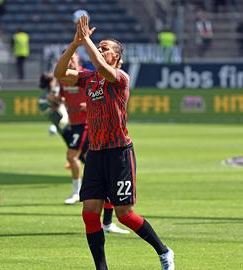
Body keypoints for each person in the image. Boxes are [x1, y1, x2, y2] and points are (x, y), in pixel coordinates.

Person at [54, 15, 174, 269]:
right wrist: (75, 44)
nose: (99, 50)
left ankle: (164, 252)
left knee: (125, 214)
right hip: (96, 155)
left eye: (105, 48)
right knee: (89, 214)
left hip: (119, 152)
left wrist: (86, 39)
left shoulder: (119, 78)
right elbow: (59, 73)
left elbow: (100, 66)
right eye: (99, 47)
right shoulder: (89, 79)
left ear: (117, 57)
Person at [49, 52, 129, 234]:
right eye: (67, 59)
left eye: (73, 59)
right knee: (98, 171)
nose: (70, 61)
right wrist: (55, 101)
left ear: (79, 60)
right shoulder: (69, 79)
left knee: (71, 156)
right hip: (76, 124)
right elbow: (61, 94)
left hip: (87, 125)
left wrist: (90, 103)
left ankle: (77, 193)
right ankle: (107, 222)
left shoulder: (90, 76)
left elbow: (100, 92)